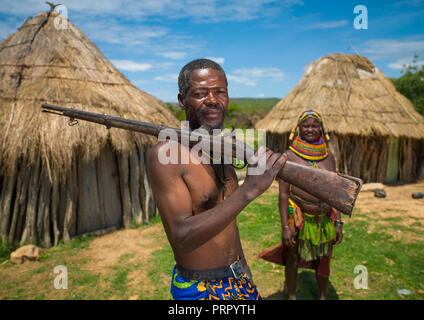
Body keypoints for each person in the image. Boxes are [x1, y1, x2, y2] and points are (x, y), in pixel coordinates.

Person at [147, 59, 287, 300]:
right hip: (200, 290)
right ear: (182, 100)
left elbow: (228, 224)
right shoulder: (166, 154)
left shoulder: (221, 150)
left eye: (220, 92)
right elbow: (181, 236)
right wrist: (248, 191)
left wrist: (245, 272)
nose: (212, 99)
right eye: (201, 93)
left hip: (240, 280)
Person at [258, 110, 343, 300]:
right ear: (298, 128)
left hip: (325, 219)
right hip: (299, 218)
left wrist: (338, 222)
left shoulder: (329, 157)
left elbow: (335, 193)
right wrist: (285, 227)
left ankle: (322, 296)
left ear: (321, 128)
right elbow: (282, 194)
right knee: (293, 258)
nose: (310, 129)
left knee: (324, 259)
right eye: (306, 126)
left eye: (314, 125)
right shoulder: (288, 156)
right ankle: (291, 296)